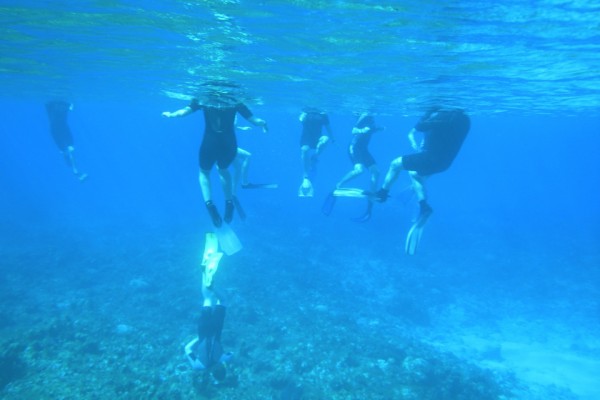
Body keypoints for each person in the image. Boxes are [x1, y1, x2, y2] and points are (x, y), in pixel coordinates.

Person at [162, 89, 268, 227]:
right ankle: (229, 204)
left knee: (204, 172)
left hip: (210, 142)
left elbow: (182, 113)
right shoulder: (236, 101)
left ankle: (210, 206)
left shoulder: (203, 99)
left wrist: (170, 115)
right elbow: (255, 121)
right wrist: (264, 124)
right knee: (223, 170)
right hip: (229, 143)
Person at [375, 106, 470, 254]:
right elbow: (445, 136)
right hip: (445, 163)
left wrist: (430, 111)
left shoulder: (446, 117)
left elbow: (420, 126)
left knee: (395, 164)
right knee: (415, 175)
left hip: (430, 159)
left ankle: (382, 193)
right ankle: (424, 207)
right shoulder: (465, 120)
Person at [185, 233, 233, 384]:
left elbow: (231, 354)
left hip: (216, 327)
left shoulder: (225, 358)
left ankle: (213, 285)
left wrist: (224, 361)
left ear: (223, 368)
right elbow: (187, 349)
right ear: (212, 375)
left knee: (223, 299)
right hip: (202, 330)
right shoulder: (198, 366)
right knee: (206, 298)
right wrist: (198, 339)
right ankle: (205, 273)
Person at [323, 112, 383, 221]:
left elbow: (370, 130)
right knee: (359, 170)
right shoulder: (365, 115)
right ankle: (338, 185)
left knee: (376, 172)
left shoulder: (371, 117)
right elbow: (353, 131)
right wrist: (362, 130)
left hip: (364, 150)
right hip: (354, 147)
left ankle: (371, 201)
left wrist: (378, 129)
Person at [45, 100, 87, 181]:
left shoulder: (51, 106)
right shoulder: (63, 106)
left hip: (57, 130)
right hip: (61, 129)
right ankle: (75, 171)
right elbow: (72, 106)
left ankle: (75, 171)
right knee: (68, 150)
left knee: (66, 150)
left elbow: (71, 106)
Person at [298, 107, 333, 197]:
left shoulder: (323, 114)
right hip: (306, 138)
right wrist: (303, 115)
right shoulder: (306, 111)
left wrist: (332, 138)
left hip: (317, 138)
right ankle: (305, 177)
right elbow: (300, 119)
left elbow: (328, 127)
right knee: (304, 149)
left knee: (326, 139)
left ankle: (315, 156)